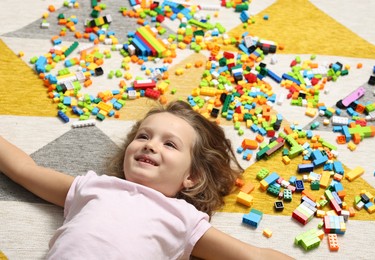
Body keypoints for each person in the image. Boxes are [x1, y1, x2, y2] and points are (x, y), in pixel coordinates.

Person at [0, 100, 293, 259]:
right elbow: (26, 170)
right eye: (144, 136)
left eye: (170, 144)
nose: (150, 145)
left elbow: (252, 256)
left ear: (191, 176)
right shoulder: (95, 185)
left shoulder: (182, 217)